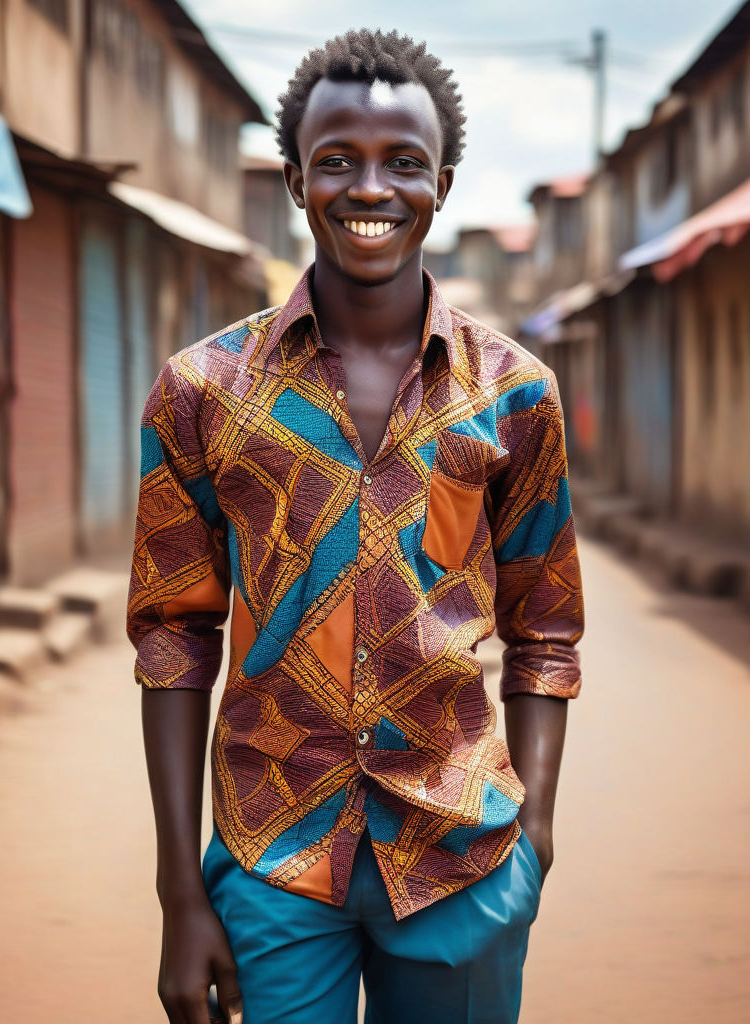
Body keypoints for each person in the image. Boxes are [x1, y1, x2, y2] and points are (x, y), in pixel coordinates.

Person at [127, 28, 584, 1024]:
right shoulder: (202, 391)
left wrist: (534, 835)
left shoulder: (515, 395)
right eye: (336, 160)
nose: (369, 188)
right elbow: (171, 635)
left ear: (443, 185)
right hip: (272, 854)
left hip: (464, 858)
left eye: (402, 164)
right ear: (296, 180)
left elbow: (545, 629)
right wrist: (178, 894)